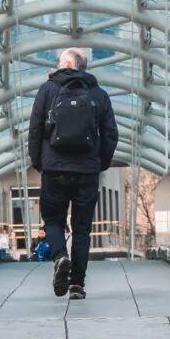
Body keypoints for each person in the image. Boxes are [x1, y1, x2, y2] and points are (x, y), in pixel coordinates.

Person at [28, 47, 118, 300]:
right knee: (81, 229)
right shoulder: (99, 94)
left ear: (67, 63)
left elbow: (35, 128)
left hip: (54, 168)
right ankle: (77, 284)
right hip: (87, 171)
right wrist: (100, 163)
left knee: (53, 220)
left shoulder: (47, 90)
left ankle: (60, 257)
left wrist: (39, 162)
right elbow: (111, 134)